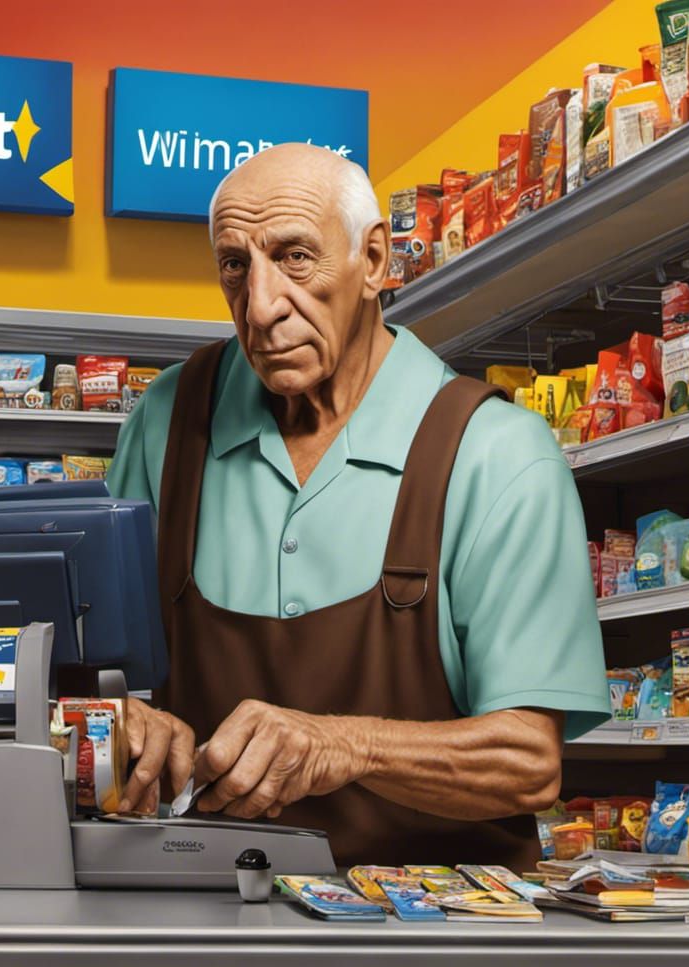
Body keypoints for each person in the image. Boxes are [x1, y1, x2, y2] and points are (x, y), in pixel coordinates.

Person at [107, 143, 609, 868]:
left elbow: (527, 761)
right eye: (234, 266)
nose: (262, 305)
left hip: (430, 948)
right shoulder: (165, 424)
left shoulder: (495, 454)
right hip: (208, 917)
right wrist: (125, 723)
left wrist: (343, 745)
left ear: (374, 261)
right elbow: (87, 685)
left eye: (296, 258)